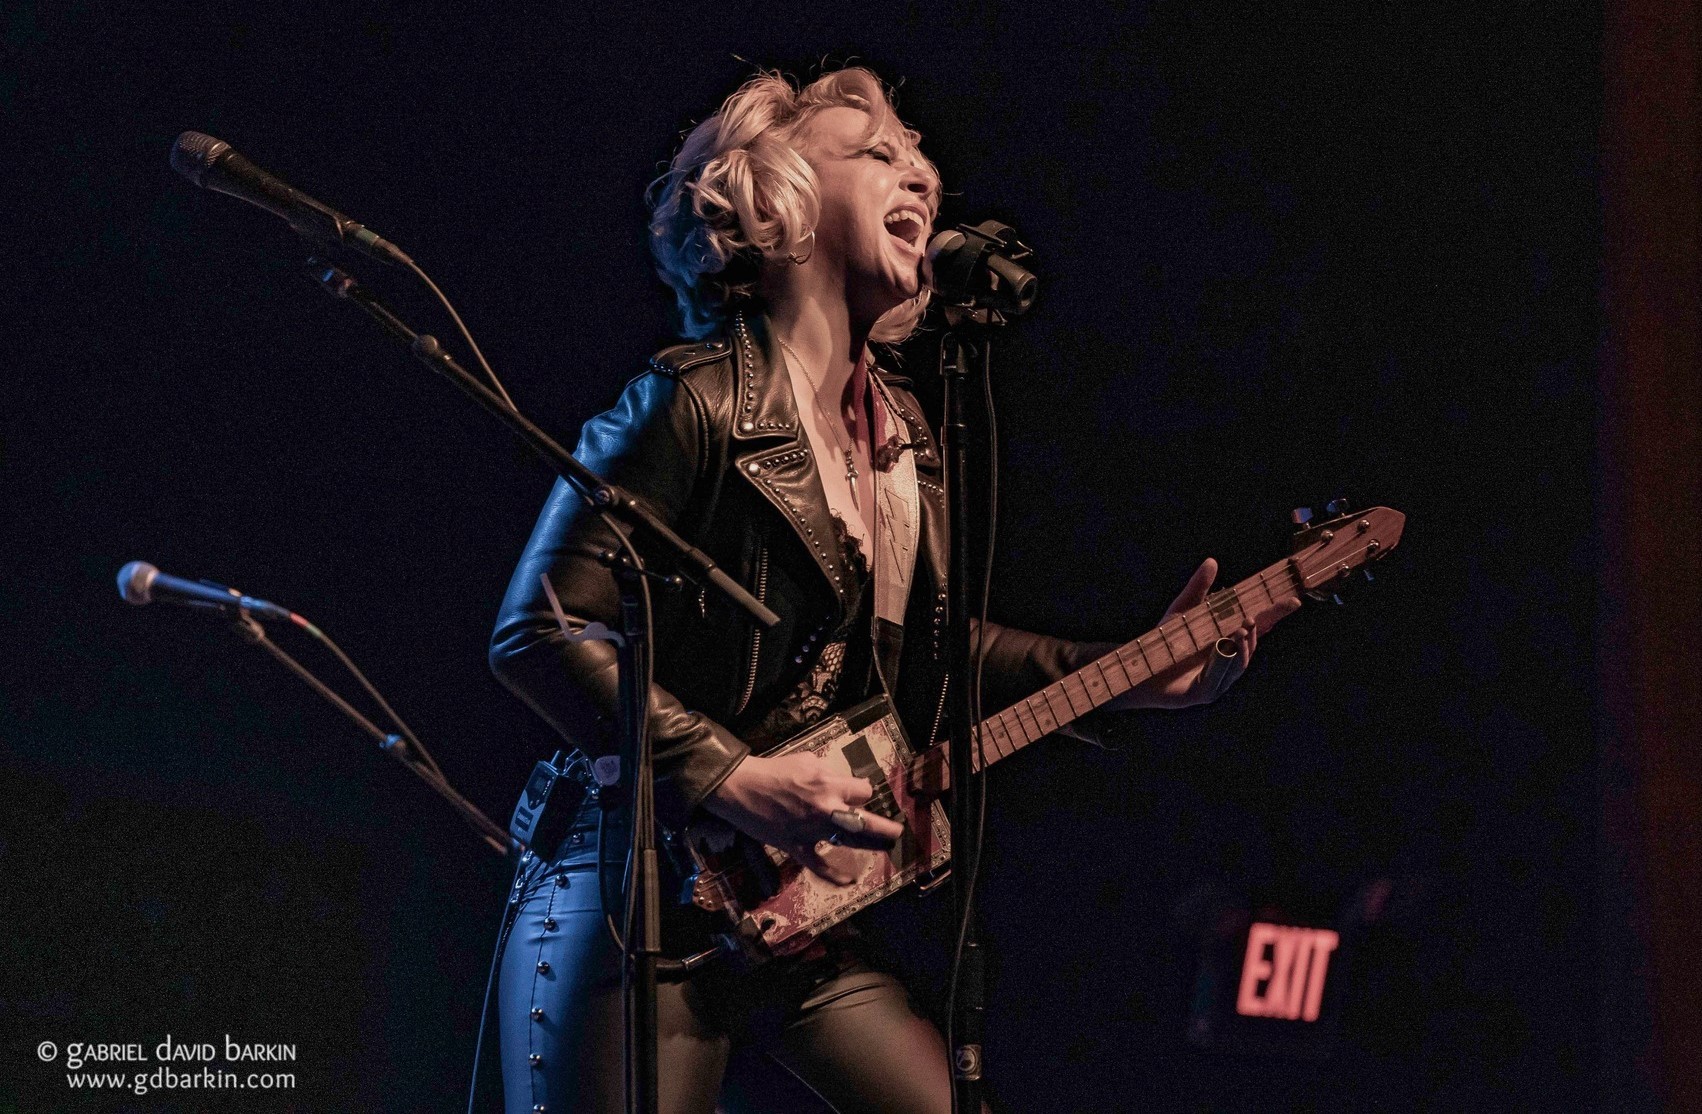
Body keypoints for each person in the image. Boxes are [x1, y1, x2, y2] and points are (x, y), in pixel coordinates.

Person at [488, 66, 1296, 1114]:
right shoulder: (687, 401)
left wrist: (1126, 673)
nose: (921, 173)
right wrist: (731, 775)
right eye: (877, 153)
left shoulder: (906, 437)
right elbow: (541, 628)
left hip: (797, 905)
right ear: (778, 193)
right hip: (631, 888)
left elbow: (940, 651)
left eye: (922, 160)